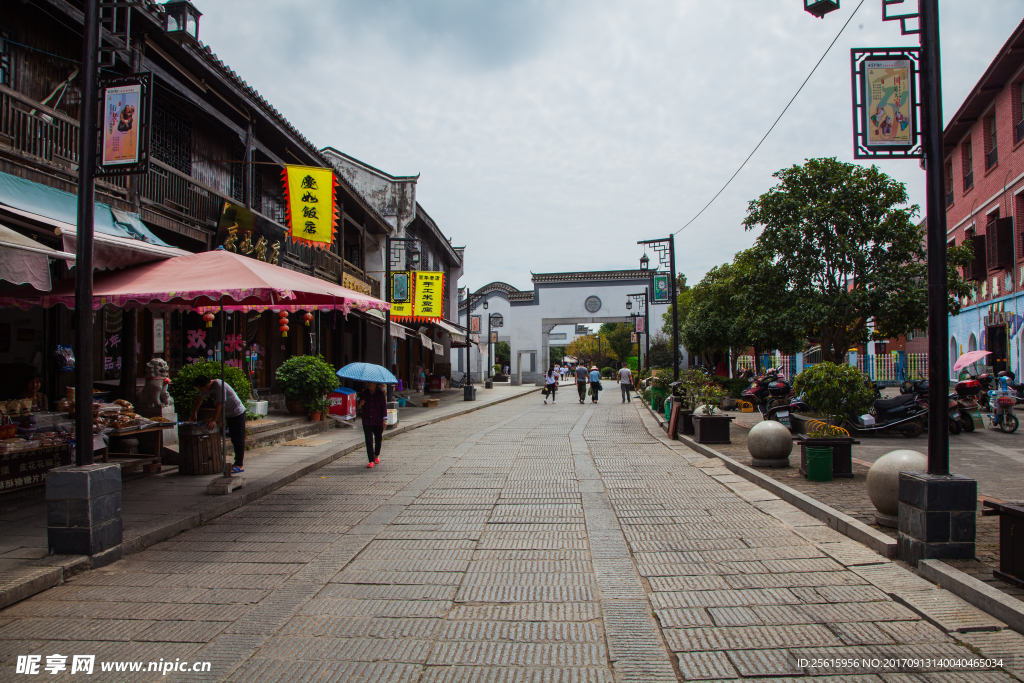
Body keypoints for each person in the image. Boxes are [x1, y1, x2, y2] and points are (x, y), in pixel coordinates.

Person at [191, 375, 247, 474]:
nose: (201, 390)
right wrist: (194, 412)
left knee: (238, 438)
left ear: (207, 385)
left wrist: (213, 420)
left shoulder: (220, 387)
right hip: (228, 414)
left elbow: (219, 405)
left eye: (201, 388)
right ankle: (236, 462)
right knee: (233, 437)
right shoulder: (207, 388)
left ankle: (239, 464)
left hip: (237, 412)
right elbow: (199, 399)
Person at [358, 381, 387, 468]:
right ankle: (371, 460)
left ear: (375, 384)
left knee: (378, 438)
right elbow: (359, 407)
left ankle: (376, 455)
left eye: (371, 383)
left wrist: (384, 419)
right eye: (368, 383)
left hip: (377, 420)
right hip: (366, 419)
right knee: (368, 440)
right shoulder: (364, 393)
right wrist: (360, 404)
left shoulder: (380, 394)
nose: (369, 385)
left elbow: (384, 407)